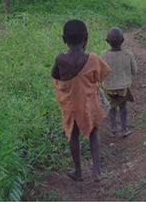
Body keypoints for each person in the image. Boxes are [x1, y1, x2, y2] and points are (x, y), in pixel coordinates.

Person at [51, 19, 111, 182]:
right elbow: (101, 75)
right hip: (88, 104)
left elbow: (55, 75)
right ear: (86, 38)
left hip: (70, 104)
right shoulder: (92, 58)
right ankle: (97, 171)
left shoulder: (60, 59)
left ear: (64, 39)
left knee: (73, 135)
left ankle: (78, 172)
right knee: (94, 132)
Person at [100, 27, 138, 137]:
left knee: (111, 106)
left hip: (108, 87)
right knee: (123, 107)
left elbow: (100, 73)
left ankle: (113, 127)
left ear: (107, 41)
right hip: (123, 87)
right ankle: (124, 129)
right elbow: (134, 71)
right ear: (123, 41)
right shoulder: (128, 54)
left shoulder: (103, 55)